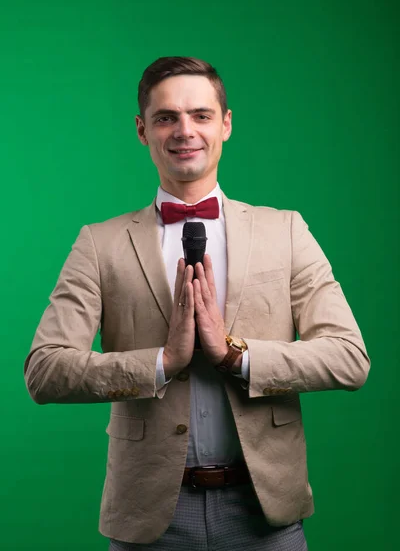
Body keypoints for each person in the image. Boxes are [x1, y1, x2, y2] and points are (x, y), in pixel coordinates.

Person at [24, 56, 370, 551]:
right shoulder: (99, 244)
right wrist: (161, 363)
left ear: (226, 124)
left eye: (201, 115)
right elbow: (44, 370)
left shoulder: (287, 230)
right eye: (166, 117)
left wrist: (237, 356)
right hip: (149, 517)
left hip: (266, 513)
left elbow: (350, 357)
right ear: (143, 130)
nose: (185, 130)